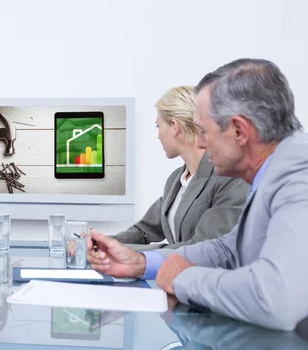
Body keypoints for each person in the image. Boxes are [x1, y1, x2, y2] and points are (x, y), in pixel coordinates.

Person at [87, 58, 308, 331]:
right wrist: (142, 263)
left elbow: (275, 299)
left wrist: (182, 279)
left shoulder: (300, 175)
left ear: (240, 130)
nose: (200, 142)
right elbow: (228, 248)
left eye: (204, 131)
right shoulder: (274, 171)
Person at [111, 86, 248, 250]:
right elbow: (144, 231)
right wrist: (102, 243)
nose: (158, 135)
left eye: (158, 127)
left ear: (175, 126)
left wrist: (130, 254)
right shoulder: (177, 179)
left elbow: (201, 248)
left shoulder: (230, 177)